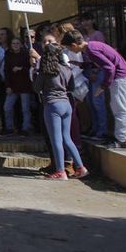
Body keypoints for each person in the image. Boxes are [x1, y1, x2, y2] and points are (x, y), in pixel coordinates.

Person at [62, 30, 126, 148]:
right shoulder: (92, 47)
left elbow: (110, 67)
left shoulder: (91, 50)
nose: (70, 51)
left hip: (121, 76)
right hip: (119, 76)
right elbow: (100, 64)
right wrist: (81, 64)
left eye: (69, 48)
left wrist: (103, 86)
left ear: (74, 45)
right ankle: (118, 136)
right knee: (115, 106)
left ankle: (121, 139)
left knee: (119, 107)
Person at [33, 42, 89, 180]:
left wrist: (35, 72)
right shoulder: (66, 69)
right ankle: (81, 167)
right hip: (66, 104)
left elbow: (36, 88)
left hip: (52, 105)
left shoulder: (45, 71)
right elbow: (71, 87)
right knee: (67, 138)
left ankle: (60, 171)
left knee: (56, 140)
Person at [2, 37, 34, 135]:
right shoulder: (8, 55)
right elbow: (6, 71)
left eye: (17, 43)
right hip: (12, 86)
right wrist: (8, 86)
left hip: (25, 85)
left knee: (25, 109)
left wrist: (21, 69)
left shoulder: (26, 55)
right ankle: (9, 127)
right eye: (13, 43)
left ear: (21, 45)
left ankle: (26, 128)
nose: (15, 45)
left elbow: (31, 68)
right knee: (7, 107)